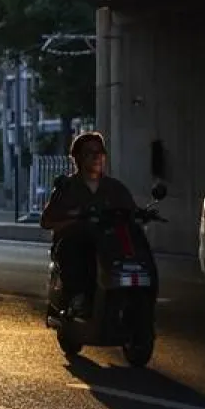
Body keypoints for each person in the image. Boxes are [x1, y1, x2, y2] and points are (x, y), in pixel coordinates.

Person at [39, 130, 141, 317]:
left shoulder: (114, 187)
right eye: (89, 153)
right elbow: (46, 221)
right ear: (77, 158)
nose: (96, 157)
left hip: (109, 243)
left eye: (100, 152)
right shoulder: (67, 188)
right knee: (76, 248)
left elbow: (132, 210)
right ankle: (77, 298)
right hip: (75, 243)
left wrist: (141, 215)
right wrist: (74, 219)